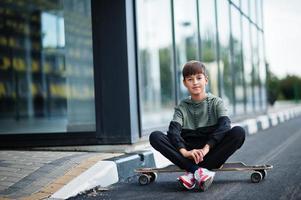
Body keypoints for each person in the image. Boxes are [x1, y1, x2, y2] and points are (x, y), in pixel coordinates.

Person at [149, 60, 245, 191]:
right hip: (189, 152)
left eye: (199, 78)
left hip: (211, 152)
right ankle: (199, 171)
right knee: (155, 136)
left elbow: (225, 125)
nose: (195, 82)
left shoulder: (217, 102)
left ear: (206, 80)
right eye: (190, 79)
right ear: (184, 83)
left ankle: (192, 172)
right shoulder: (182, 107)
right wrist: (186, 152)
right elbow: (174, 132)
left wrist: (206, 149)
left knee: (238, 132)